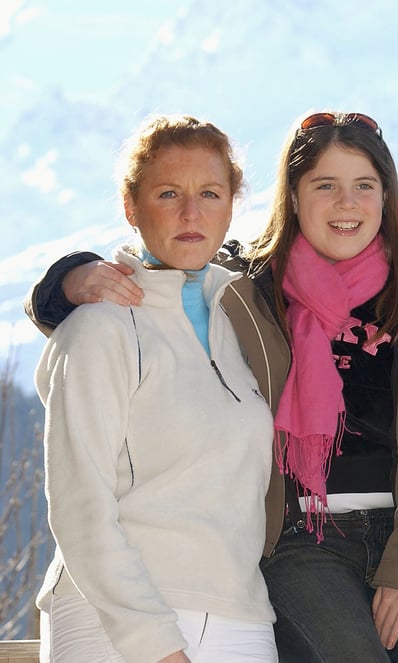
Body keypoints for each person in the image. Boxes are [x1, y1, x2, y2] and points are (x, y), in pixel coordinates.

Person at [26, 112, 398, 662]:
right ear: (294, 199)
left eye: (363, 186)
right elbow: (154, 281)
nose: (345, 203)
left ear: (386, 197)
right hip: (299, 540)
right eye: (324, 186)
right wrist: (67, 281)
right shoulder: (252, 293)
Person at [33, 115, 278, 662]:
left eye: (210, 193)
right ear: (131, 207)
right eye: (169, 193)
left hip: (242, 615)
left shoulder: (245, 319)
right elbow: (79, 504)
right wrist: (152, 642)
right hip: (114, 620)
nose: (192, 213)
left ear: (232, 204)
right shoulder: (100, 324)